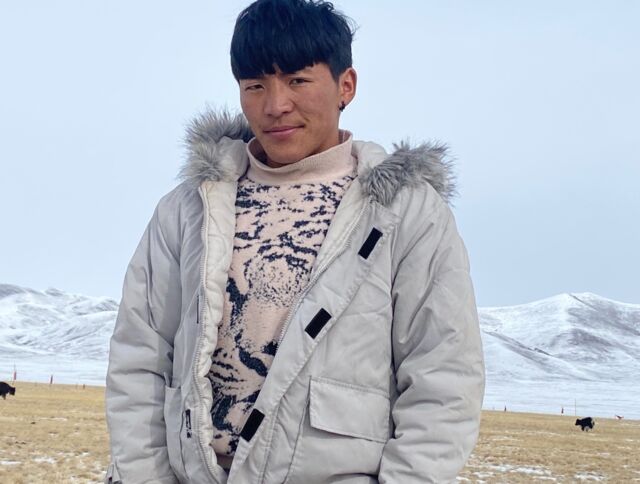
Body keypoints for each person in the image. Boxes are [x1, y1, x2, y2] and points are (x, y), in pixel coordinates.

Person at [104, 0, 485, 483]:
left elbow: (444, 377)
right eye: (255, 85)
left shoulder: (404, 213)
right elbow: (139, 357)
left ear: (346, 85)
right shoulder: (188, 208)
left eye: (298, 80)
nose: (275, 105)